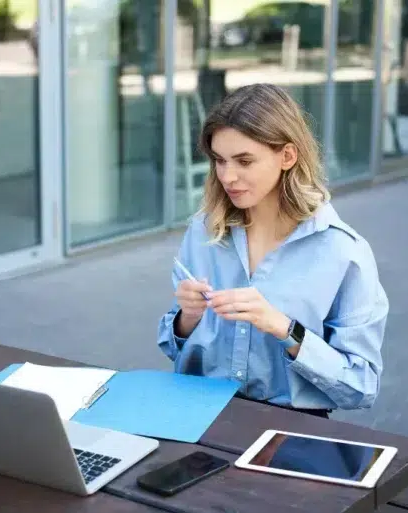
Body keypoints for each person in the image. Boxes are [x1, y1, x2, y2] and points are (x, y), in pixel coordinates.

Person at [156, 83, 388, 417]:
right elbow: (172, 347)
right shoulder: (203, 232)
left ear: (287, 156)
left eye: (244, 161)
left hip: (291, 430)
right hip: (199, 416)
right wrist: (186, 320)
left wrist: (283, 328)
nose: (228, 176)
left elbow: (360, 387)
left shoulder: (342, 252)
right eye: (220, 161)